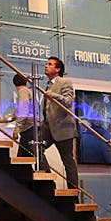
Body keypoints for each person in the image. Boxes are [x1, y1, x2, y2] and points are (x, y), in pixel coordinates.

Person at [41, 56, 78, 191]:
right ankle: (48, 178)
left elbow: (69, 101)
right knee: (35, 147)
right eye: (46, 64)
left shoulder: (65, 82)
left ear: (57, 69)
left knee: (68, 161)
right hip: (48, 127)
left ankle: (73, 192)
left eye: (50, 64)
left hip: (63, 128)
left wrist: (54, 95)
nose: (46, 66)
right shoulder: (48, 85)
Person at [0, 73, 36, 157]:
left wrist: (17, 129)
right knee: (26, 157)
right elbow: (16, 114)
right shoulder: (27, 91)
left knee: (28, 157)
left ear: (14, 82)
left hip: (29, 129)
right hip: (29, 129)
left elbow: (23, 112)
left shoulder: (23, 91)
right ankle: (44, 170)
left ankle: (46, 170)